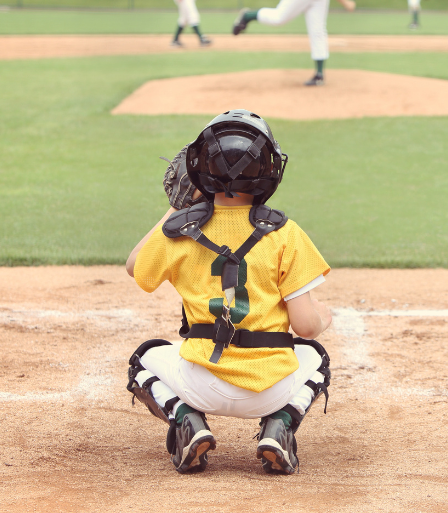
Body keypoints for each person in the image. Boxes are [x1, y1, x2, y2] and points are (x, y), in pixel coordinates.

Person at [125, 109, 333, 475]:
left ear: (197, 169)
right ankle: (280, 424)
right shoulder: (286, 233)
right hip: (271, 389)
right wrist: (325, 317)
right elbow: (306, 327)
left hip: (200, 383)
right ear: (270, 170)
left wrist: (177, 209)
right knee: (315, 356)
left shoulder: (182, 231)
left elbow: (135, 266)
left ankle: (187, 420)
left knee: (144, 359)